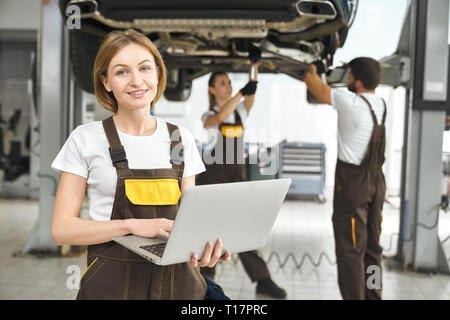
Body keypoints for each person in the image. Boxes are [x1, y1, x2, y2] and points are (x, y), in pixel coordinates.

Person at [50, 29, 230, 300]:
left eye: (145, 68)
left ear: (157, 73)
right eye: (122, 72)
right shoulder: (85, 139)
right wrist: (131, 226)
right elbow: (62, 230)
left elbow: (189, 220)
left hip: (179, 286)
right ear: (106, 81)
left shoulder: (180, 138)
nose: (137, 81)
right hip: (111, 287)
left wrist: (204, 247)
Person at [196, 68, 287, 299]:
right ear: (212, 89)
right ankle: (204, 284)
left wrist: (253, 67)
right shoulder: (208, 115)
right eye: (223, 83)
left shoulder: (239, 113)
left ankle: (263, 280)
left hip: (236, 179)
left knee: (243, 230)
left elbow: (251, 94)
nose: (227, 87)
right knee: (210, 233)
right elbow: (216, 119)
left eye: (229, 83)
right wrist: (239, 93)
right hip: (213, 183)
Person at [303, 57, 387, 300]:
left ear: (357, 81)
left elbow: (311, 81)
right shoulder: (382, 105)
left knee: (350, 251)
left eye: (349, 76)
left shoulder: (349, 101)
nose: (347, 80)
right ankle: (373, 296)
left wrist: (315, 68)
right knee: (373, 249)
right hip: (376, 183)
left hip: (354, 187)